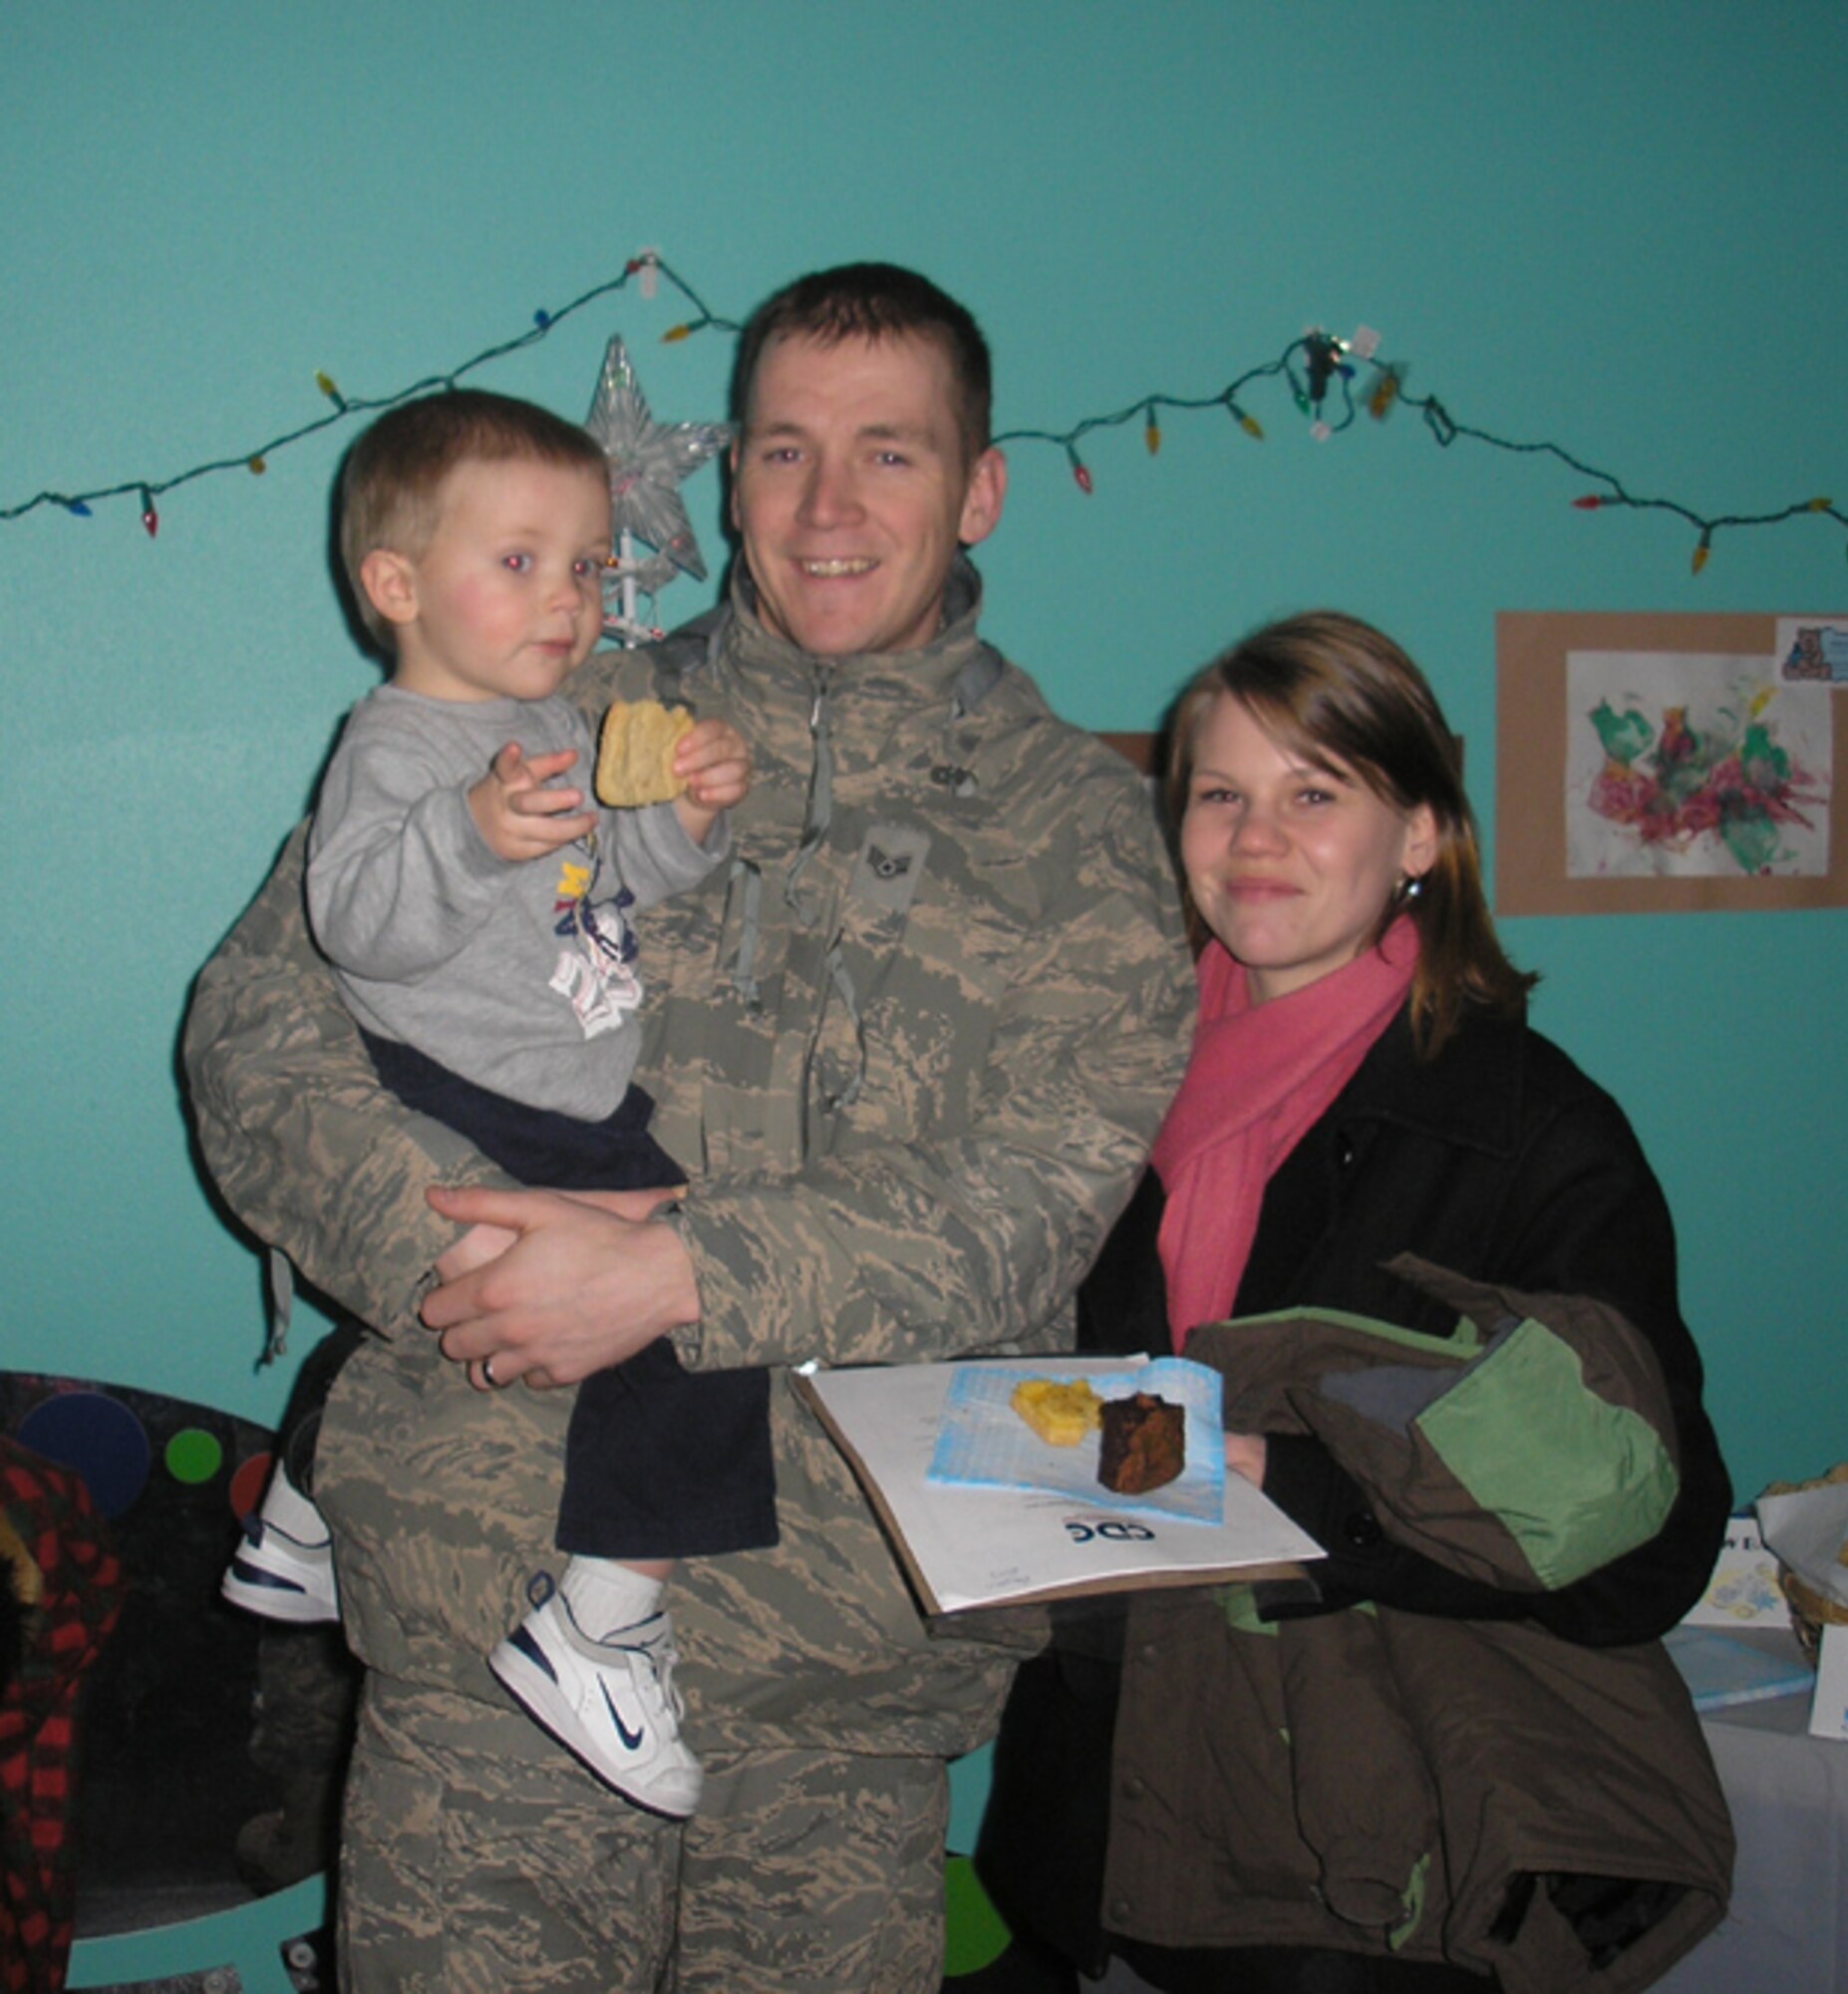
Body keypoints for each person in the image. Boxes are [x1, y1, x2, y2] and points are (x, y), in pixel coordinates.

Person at [182, 262, 1197, 1991]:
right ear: (729, 477)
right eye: (784, 449)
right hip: (487, 1607)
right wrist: (476, 1257)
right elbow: (257, 1031)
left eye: (888, 453)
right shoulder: (535, 709)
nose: (825, 507)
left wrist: (676, 1277)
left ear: (979, 489)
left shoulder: (1085, 831)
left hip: (845, 1672)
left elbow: (1041, 1191)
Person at [977, 612, 1734, 1994]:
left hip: (1356, 1879)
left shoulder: (1528, 1134)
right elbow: (1090, 1427)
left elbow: (1647, 1551)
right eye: (1221, 794)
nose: (1255, 838)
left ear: (1422, 835)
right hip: (1096, 1834)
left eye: (1315, 793)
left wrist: (1291, 1488)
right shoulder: (1102, 1097)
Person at [218, 389, 763, 1821]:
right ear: (396, 586)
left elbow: (616, 877)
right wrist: (465, 834)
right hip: (477, 1081)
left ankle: (302, 1510)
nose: (567, 599)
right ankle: (604, 1621)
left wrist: (684, 818)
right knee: (703, 1320)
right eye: (518, 562)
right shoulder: (398, 743)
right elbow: (354, 920)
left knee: (567, 1293)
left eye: (585, 566)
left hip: (562, 1076)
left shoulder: (556, 721)